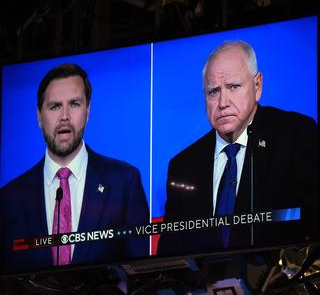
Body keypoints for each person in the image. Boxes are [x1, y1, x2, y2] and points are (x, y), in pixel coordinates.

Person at [157, 40, 318, 256]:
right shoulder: (183, 165)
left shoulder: (295, 135)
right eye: (213, 91)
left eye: (233, 86)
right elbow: (171, 254)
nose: (223, 102)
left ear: (257, 86)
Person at [0, 63, 149, 274]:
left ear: (87, 111)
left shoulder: (124, 182)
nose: (64, 116)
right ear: (39, 116)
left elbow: (140, 273)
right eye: (54, 106)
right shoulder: (9, 199)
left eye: (75, 104)